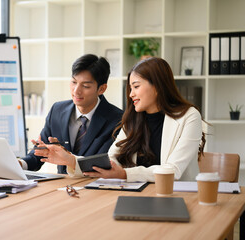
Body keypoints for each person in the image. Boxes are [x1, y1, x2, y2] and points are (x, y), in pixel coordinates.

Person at [35, 57, 205, 181]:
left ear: (158, 86)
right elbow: (110, 161)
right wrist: (70, 160)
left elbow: (173, 171)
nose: (131, 94)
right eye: (130, 88)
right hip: (135, 195)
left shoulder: (189, 116)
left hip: (176, 195)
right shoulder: (133, 119)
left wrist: (124, 174)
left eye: (136, 87)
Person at [19, 54, 123, 174]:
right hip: (63, 188)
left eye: (85, 86)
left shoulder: (117, 120)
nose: (76, 91)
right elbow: (39, 153)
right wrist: (20, 164)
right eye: (74, 82)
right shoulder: (57, 111)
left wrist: (68, 158)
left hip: (96, 188)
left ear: (101, 89)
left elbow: (105, 165)